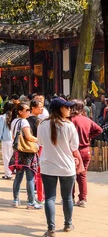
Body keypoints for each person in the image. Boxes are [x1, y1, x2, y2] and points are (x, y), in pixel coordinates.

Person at [38, 98, 84, 237]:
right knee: (67, 198)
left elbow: (40, 142)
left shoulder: (42, 124)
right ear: (60, 109)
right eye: (67, 107)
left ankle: (51, 229)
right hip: (66, 167)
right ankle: (68, 224)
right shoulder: (68, 126)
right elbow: (74, 147)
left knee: (50, 198)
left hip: (48, 166)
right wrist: (79, 161)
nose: (70, 110)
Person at [9, 101, 42, 210]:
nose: (28, 112)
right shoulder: (24, 122)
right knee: (30, 178)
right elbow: (29, 137)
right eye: (26, 110)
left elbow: (14, 136)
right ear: (20, 111)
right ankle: (31, 202)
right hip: (27, 153)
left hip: (18, 152)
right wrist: (39, 140)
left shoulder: (14, 121)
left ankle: (15, 199)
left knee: (18, 177)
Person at [70, 99, 103, 208]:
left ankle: (70, 198)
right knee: (82, 175)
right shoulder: (87, 120)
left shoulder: (70, 120)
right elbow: (99, 130)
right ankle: (83, 198)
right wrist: (89, 136)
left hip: (73, 151)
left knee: (71, 175)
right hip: (85, 150)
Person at [0, 100, 14, 179]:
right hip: (13, 139)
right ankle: (12, 171)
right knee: (11, 156)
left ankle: (8, 173)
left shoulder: (2, 117)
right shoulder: (14, 117)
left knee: (6, 157)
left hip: (6, 140)